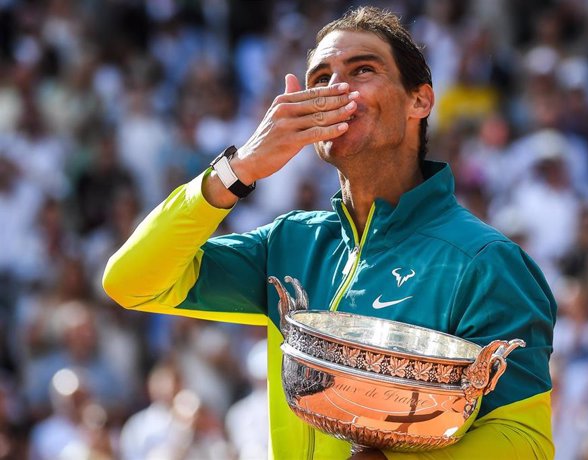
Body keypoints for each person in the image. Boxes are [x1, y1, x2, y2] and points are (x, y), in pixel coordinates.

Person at [103, 6, 556, 459]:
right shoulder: (289, 245)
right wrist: (237, 170)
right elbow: (131, 282)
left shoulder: (486, 261)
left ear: (420, 100)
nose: (337, 89)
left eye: (363, 69)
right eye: (320, 79)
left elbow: (525, 441)